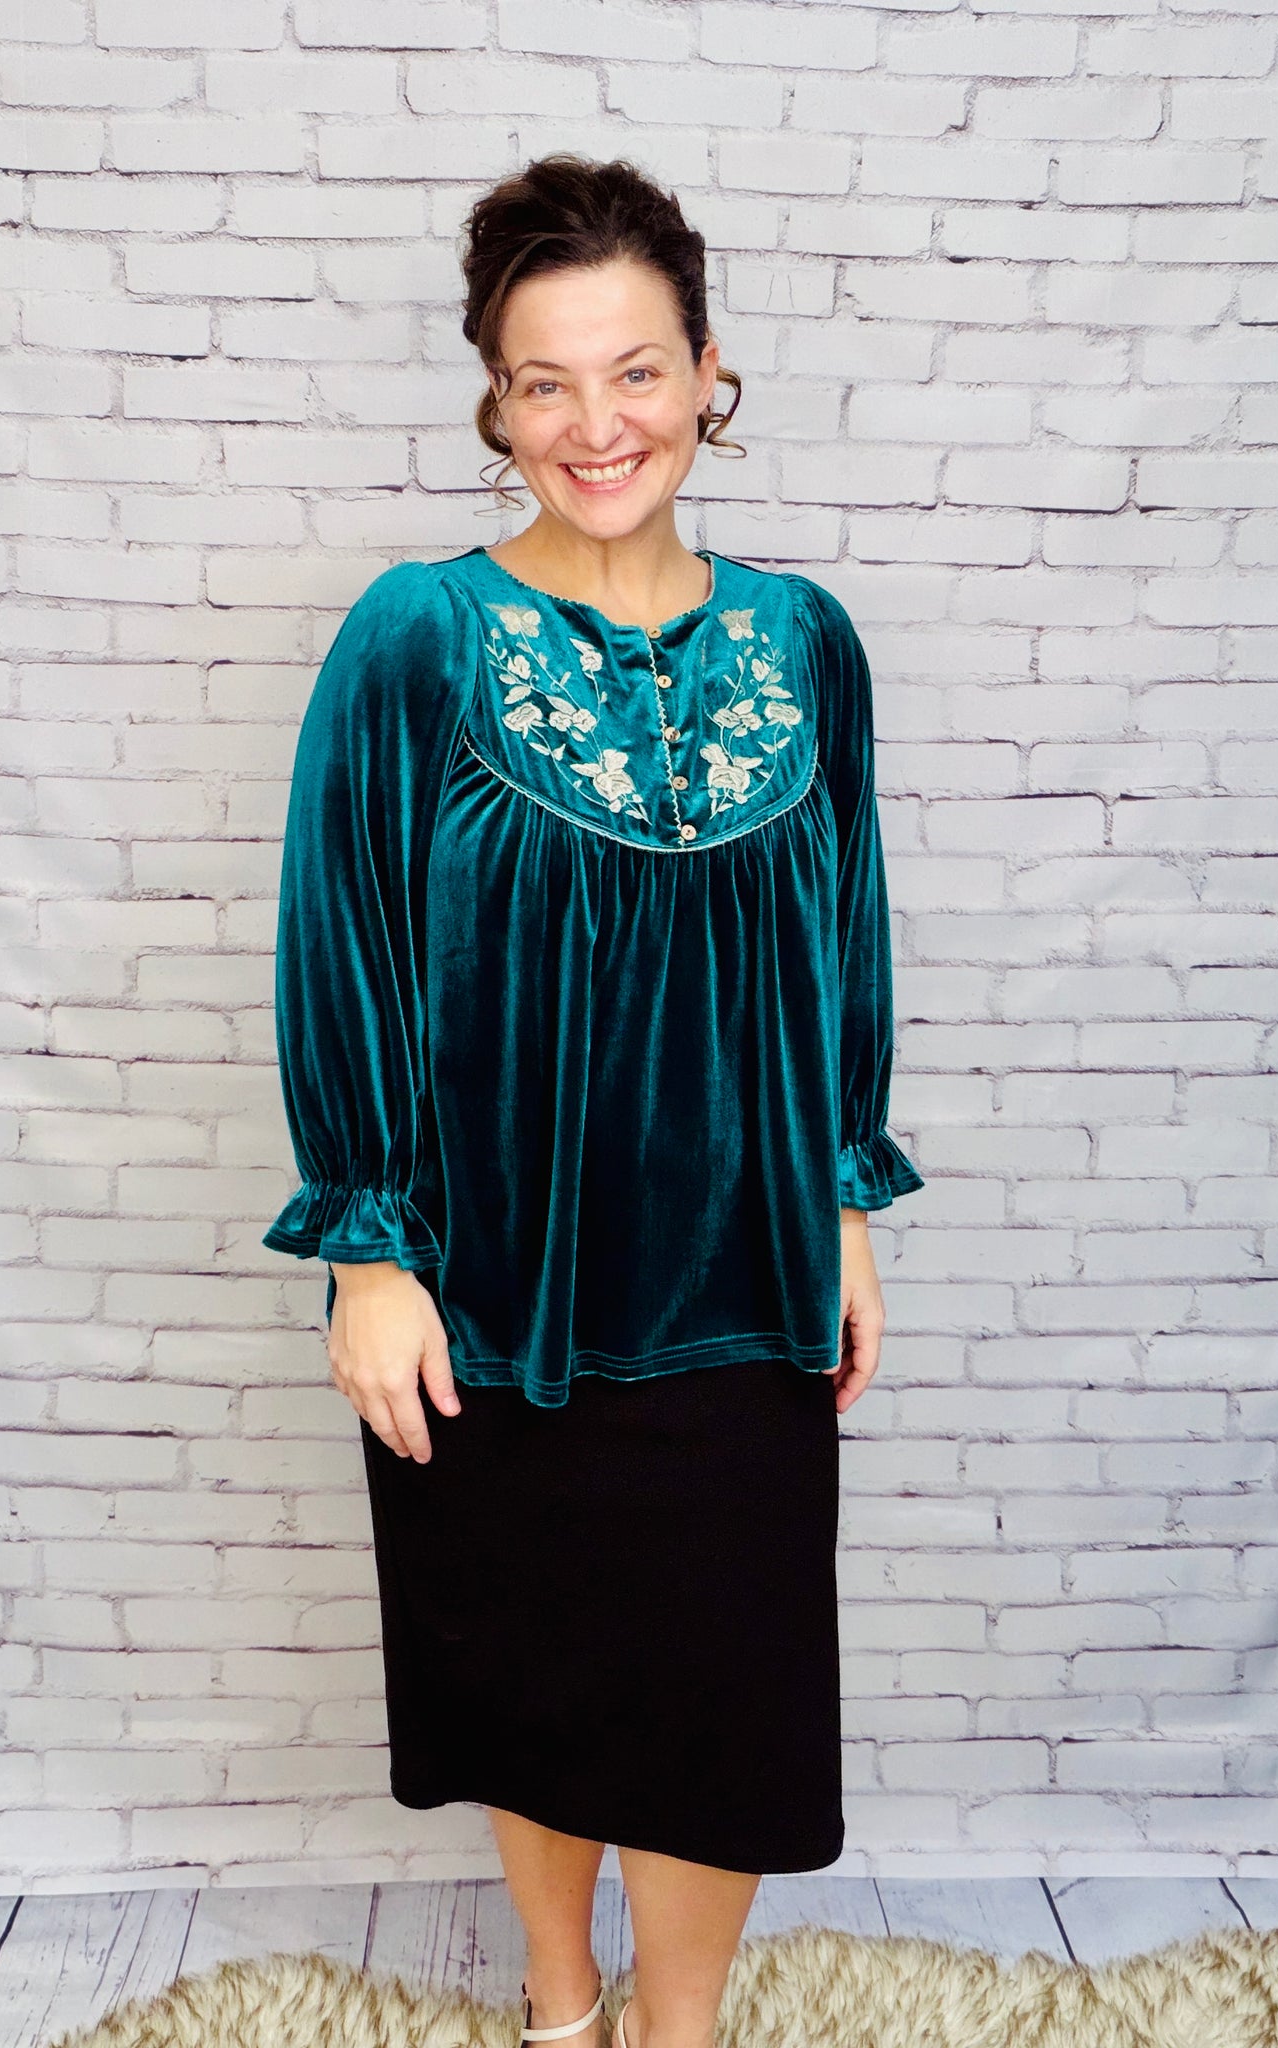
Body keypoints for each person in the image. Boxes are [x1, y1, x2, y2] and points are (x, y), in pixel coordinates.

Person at [262, 154, 923, 2048]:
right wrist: (368, 1254)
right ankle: (562, 2006)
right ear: (496, 401)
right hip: (494, 1286)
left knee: (728, 1695)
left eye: (635, 371)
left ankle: (676, 2028)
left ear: (708, 371)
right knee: (535, 1671)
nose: (595, 424)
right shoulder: (419, 636)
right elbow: (343, 939)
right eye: (543, 383)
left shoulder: (807, 643)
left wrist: (846, 1209)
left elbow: (843, 940)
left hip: (744, 1275)